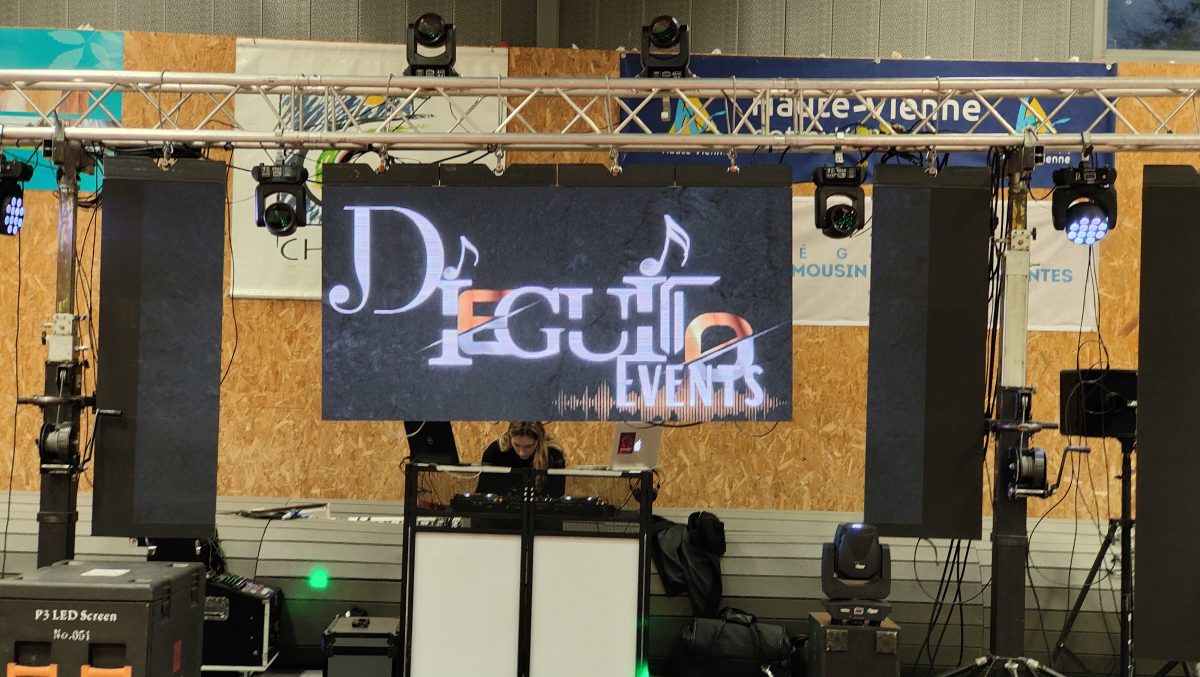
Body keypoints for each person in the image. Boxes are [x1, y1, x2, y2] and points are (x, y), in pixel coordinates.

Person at [475, 421, 567, 497]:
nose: (522, 452)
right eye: (517, 445)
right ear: (510, 437)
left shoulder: (553, 455)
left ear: (539, 440)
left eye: (528, 446)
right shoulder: (494, 452)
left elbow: (556, 497)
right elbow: (483, 494)